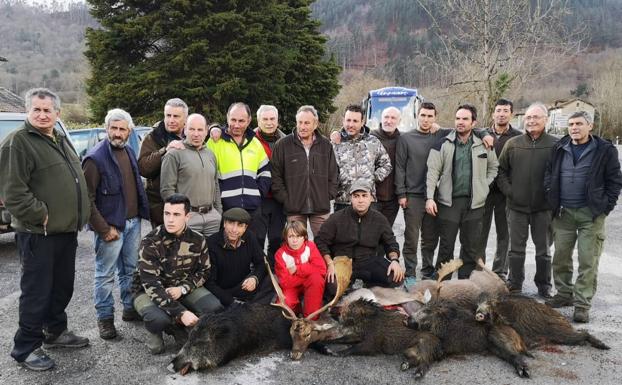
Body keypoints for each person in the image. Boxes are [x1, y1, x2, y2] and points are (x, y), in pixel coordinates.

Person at [0, 88, 90, 371]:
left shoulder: (60, 139)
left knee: (62, 286)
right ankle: (26, 348)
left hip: (65, 231)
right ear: (28, 112)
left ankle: (55, 332)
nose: (41, 114)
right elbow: (12, 192)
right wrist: (42, 215)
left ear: (57, 114)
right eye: (36, 110)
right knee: (37, 292)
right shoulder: (19, 142)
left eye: (47, 110)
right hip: (39, 233)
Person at [396, 102, 494, 284]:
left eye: (429, 116)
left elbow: (491, 162)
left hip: (454, 199)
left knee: (434, 240)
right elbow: (410, 169)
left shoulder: (450, 136)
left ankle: (438, 275)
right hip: (422, 197)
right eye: (422, 115)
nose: (426, 119)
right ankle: (418, 277)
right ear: (417, 116)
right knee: (415, 239)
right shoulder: (416, 139)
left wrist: (483, 185)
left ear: (435, 118)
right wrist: (405, 194)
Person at [544, 111, 622, 322]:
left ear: (590, 126)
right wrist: (550, 191)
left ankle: (582, 304)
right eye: (571, 124)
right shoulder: (559, 147)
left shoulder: (604, 150)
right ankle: (563, 294)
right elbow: (549, 173)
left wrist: (605, 208)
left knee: (588, 260)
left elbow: (615, 181)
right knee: (560, 258)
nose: (574, 128)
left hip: (591, 215)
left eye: (579, 123)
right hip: (563, 213)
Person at [82, 108, 150, 340]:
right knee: (105, 275)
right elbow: (86, 200)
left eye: (122, 129)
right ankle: (105, 319)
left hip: (133, 224)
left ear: (129, 131)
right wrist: (104, 229)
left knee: (130, 270)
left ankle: (130, 309)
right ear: (106, 128)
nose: (118, 133)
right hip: (111, 228)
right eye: (114, 128)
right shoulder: (95, 158)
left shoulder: (129, 151)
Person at [132, 194, 222, 354]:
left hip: (181, 286)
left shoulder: (198, 240)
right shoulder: (150, 242)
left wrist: (183, 289)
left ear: (187, 217)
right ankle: (168, 327)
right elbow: (151, 285)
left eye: (176, 214)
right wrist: (181, 313)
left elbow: (204, 271)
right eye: (167, 214)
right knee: (158, 321)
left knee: (213, 307)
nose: (170, 219)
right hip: (148, 291)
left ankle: (183, 325)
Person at [425, 104, 498, 279]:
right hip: (449, 203)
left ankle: (465, 286)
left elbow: (494, 167)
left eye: (465, 119)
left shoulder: (484, 144)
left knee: (470, 248)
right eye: (458, 118)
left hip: (475, 204)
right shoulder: (442, 143)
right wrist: (429, 198)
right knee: (446, 247)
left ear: (474, 123)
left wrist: (483, 185)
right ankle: (441, 285)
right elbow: (432, 172)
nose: (460, 122)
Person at [497, 102, 558, 297]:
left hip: (544, 208)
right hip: (517, 207)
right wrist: (510, 191)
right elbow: (501, 171)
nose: (531, 121)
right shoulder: (513, 144)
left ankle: (544, 285)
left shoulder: (555, 145)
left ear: (545, 120)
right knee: (516, 250)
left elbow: (561, 174)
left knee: (544, 251)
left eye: (536, 117)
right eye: (529, 117)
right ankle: (515, 284)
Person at [316, 180, 405, 290]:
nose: (360, 200)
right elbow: (320, 241)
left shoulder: (379, 219)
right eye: (356, 196)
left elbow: (390, 242)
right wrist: (330, 263)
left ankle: (371, 284)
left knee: (396, 277)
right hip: (342, 262)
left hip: (368, 261)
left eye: (364, 196)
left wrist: (395, 261)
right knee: (332, 286)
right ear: (351, 198)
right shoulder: (336, 218)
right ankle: (346, 286)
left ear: (371, 198)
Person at [271, 105, 338, 237]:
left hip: (320, 207)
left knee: (324, 243)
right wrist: (286, 199)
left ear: (315, 124)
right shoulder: (283, 145)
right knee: (296, 245)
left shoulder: (326, 145)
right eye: (300, 122)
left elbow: (333, 173)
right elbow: (275, 175)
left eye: (307, 123)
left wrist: (328, 195)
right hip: (294, 207)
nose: (302, 126)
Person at [474, 99, 521, 280]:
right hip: (484, 191)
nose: (501, 113)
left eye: (505, 111)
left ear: (511, 114)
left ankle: (500, 270)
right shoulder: (482, 134)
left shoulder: (517, 137)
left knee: (505, 234)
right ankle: (479, 270)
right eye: (498, 110)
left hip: (505, 193)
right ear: (493, 114)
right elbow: (471, 128)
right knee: (480, 233)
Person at [206, 102, 271, 234]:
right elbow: (206, 175)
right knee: (226, 249)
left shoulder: (255, 143)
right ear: (227, 117)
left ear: (249, 121)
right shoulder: (215, 142)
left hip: (252, 208)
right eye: (233, 120)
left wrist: (257, 193)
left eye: (241, 121)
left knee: (254, 246)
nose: (236, 125)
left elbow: (265, 171)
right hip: (225, 207)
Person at [160, 113, 222, 237]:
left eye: (200, 129)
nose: (196, 134)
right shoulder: (174, 154)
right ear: (185, 130)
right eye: (192, 129)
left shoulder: (210, 154)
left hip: (212, 218)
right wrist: (180, 216)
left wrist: (218, 212)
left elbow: (215, 185)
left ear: (206, 131)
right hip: (189, 218)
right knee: (187, 255)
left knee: (213, 256)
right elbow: (167, 190)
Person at [205, 208, 274, 307]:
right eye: (231, 223)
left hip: (243, 285)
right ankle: (245, 307)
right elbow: (209, 283)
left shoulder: (249, 237)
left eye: (240, 225)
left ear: (245, 228)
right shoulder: (211, 244)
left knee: (272, 280)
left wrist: (255, 278)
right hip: (222, 292)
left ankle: (252, 306)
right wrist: (231, 302)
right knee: (214, 306)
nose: (234, 230)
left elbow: (262, 262)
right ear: (224, 223)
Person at [332, 104, 391, 211]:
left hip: (368, 202)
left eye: (355, 121)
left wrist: (372, 178)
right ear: (343, 120)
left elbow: (386, 164)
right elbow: (326, 170)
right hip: (343, 202)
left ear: (362, 122)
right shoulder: (335, 143)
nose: (351, 124)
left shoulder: (373, 142)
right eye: (348, 120)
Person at [138, 98, 187, 226]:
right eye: (168, 115)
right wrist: (164, 151)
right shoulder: (152, 136)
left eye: (176, 116)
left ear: (185, 119)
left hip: (187, 206)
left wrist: (215, 128)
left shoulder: (192, 134)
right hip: (161, 208)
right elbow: (143, 168)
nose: (171, 120)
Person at [252, 105, 287, 264]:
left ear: (277, 120)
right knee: (257, 237)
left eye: (272, 119)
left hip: (279, 198)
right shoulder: (249, 140)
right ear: (258, 120)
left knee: (276, 238)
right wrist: (215, 129)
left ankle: (273, 269)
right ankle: (258, 269)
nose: (269, 122)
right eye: (265, 119)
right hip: (258, 196)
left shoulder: (286, 140)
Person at [274, 221, 327, 319]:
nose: (295, 241)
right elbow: (285, 283)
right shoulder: (280, 254)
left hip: (308, 282)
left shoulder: (310, 247)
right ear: (286, 238)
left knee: (316, 279)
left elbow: (322, 270)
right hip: (291, 287)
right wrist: (308, 272)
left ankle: (311, 319)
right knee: (285, 307)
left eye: (298, 236)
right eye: (291, 237)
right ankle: (295, 312)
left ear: (304, 237)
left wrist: (298, 269)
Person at [370, 107, 401, 227]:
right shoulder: (370, 137)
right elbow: (351, 133)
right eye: (386, 117)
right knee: (370, 233)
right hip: (373, 197)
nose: (389, 121)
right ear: (381, 119)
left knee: (386, 233)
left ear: (399, 121)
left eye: (393, 118)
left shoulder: (403, 139)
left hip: (393, 200)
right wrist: (337, 133)